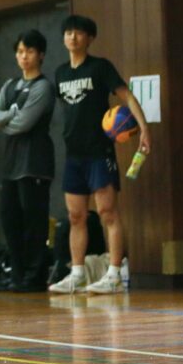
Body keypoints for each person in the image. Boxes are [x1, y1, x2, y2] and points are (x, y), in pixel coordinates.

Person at [49, 15, 150, 294]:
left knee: (108, 212)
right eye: (68, 32)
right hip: (73, 155)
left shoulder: (100, 67)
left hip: (99, 152)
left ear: (90, 38)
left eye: (79, 33)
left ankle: (115, 274)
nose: (73, 37)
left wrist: (143, 128)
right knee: (76, 216)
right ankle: (78, 274)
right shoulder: (60, 73)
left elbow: (126, 96)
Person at [0, 29, 57, 292]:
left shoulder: (43, 87)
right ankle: (16, 274)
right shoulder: (10, 85)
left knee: (34, 221)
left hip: (35, 162)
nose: (23, 56)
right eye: (19, 51)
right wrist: (9, 116)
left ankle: (34, 276)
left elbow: (23, 123)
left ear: (41, 55)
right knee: (10, 219)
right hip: (11, 163)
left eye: (29, 51)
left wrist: (5, 118)